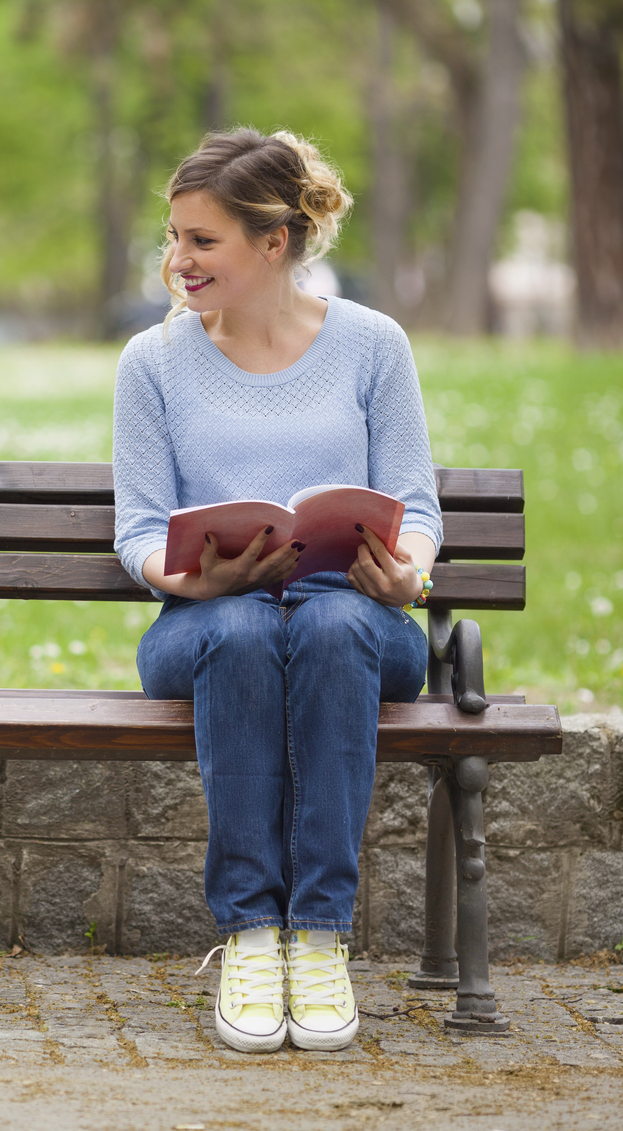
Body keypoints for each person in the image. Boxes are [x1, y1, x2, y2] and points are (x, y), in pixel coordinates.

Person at [112, 129, 440, 1053]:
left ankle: (320, 936)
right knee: (245, 631)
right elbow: (138, 529)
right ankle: (252, 935)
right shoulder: (153, 362)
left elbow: (413, 502)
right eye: (173, 236)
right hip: (206, 626)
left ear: (274, 241)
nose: (178, 260)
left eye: (201, 240)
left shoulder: (372, 345)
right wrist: (189, 577)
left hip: (359, 618)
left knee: (333, 620)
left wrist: (404, 569)